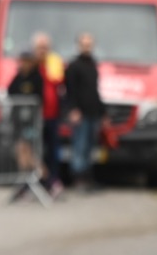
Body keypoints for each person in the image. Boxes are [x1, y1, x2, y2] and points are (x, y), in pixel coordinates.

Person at [65, 32, 106, 191]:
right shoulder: (74, 66)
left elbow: (95, 91)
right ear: (78, 46)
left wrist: (102, 112)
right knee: (79, 146)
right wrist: (73, 110)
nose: (87, 47)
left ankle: (88, 178)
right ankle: (78, 178)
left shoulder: (93, 65)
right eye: (84, 44)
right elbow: (70, 91)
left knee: (90, 146)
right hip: (80, 114)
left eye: (89, 44)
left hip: (93, 112)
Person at [7, 51, 45, 202]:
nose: (23, 64)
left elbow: (38, 98)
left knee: (28, 151)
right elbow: (10, 91)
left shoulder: (36, 78)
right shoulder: (18, 77)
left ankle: (47, 179)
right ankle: (25, 182)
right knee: (20, 151)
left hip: (31, 121)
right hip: (18, 120)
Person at [32, 32, 65, 196]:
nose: (42, 50)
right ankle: (37, 180)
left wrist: (43, 65)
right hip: (33, 116)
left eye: (45, 47)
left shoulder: (54, 61)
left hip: (51, 114)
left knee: (52, 149)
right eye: (40, 47)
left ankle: (53, 180)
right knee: (35, 150)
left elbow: (56, 80)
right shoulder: (29, 62)